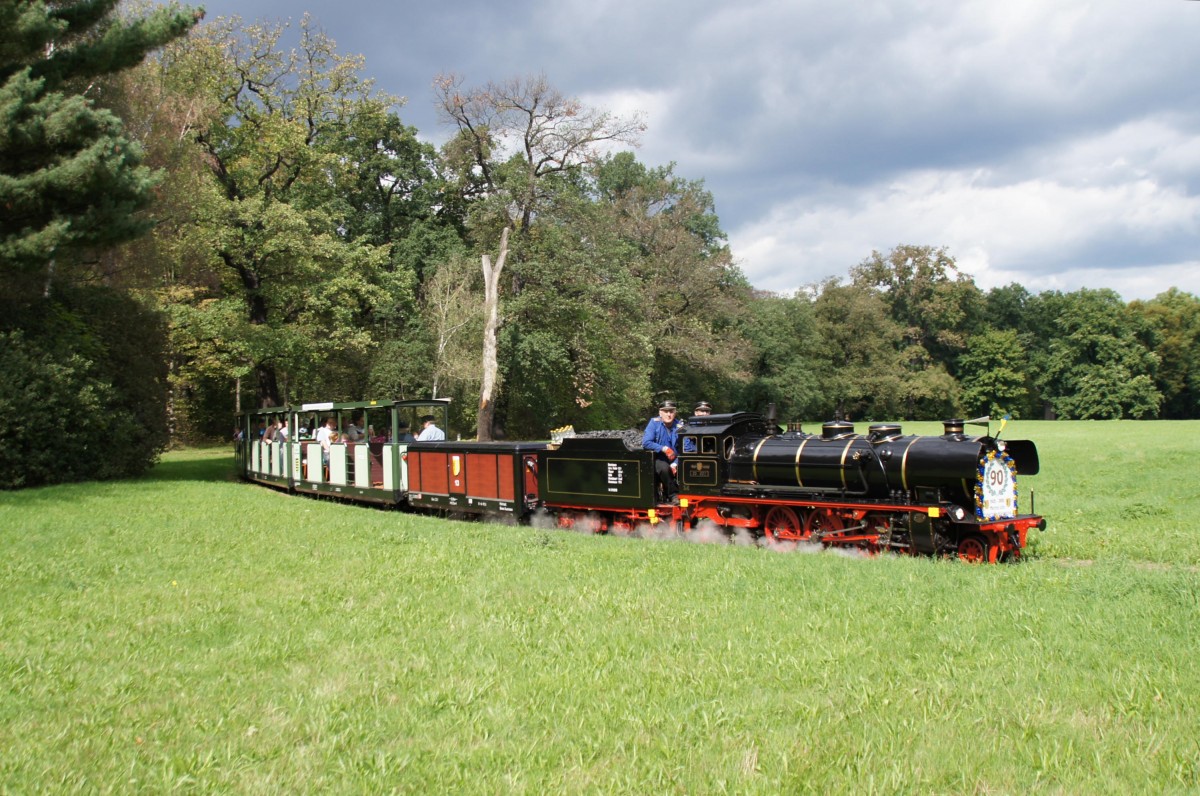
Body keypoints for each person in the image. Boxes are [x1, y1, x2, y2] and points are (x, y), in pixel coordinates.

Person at [642, 400, 683, 503]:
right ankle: (673, 495)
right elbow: (646, 443)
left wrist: (675, 464)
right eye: (666, 411)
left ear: (675, 413)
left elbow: (685, 448)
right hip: (659, 457)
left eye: (671, 411)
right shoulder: (654, 423)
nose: (668, 414)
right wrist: (663, 448)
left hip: (676, 458)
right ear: (660, 413)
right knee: (664, 468)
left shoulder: (680, 426)